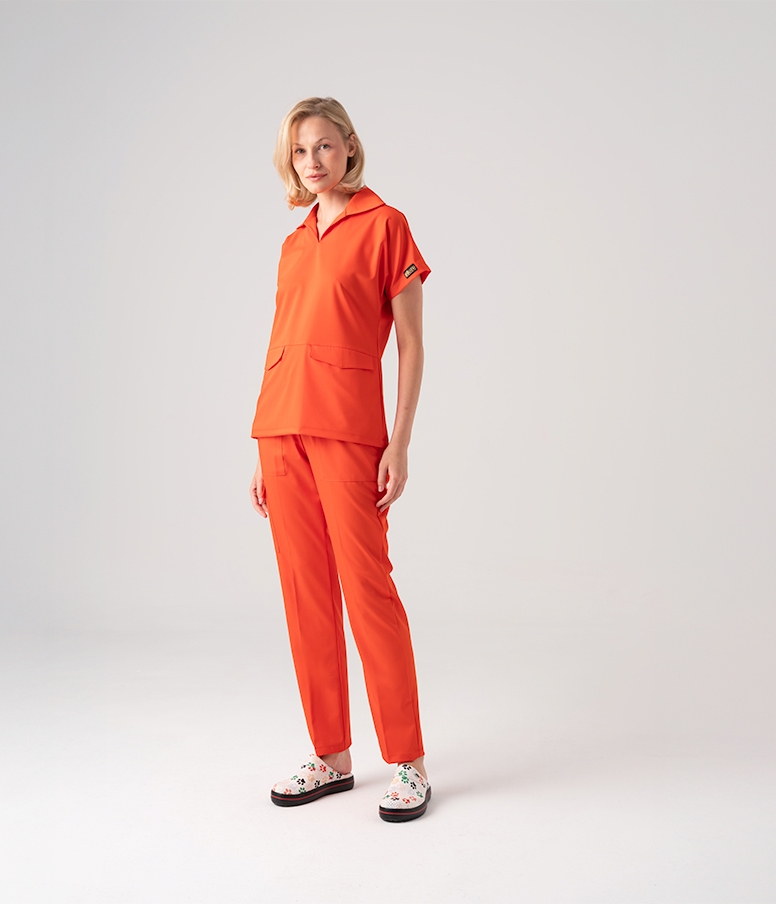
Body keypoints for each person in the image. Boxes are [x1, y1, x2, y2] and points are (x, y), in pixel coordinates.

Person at [249, 97, 432, 822]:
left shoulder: (386, 225)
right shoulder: (294, 242)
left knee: (368, 590)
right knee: (306, 595)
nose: (313, 161)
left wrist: (400, 441)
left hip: (350, 429)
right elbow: (280, 339)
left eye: (324, 146)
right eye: (300, 151)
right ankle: (331, 756)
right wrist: (261, 444)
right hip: (281, 430)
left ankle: (409, 761)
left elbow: (411, 344)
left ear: (350, 147)